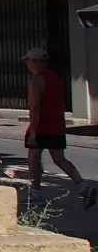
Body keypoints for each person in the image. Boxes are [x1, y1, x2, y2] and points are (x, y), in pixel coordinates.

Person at [25, 47, 96, 207]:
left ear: (36, 62)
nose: (27, 64)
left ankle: (36, 192)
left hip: (42, 126)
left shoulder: (36, 80)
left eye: (29, 60)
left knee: (34, 156)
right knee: (59, 158)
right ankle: (83, 185)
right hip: (56, 125)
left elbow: (35, 107)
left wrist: (33, 130)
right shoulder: (55, 79)